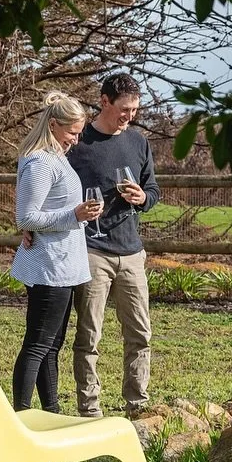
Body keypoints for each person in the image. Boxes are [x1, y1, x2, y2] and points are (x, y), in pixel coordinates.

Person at [67, 73, 159, 417]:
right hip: (92, 251)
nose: (130, 116)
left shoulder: (138, 143)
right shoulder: (78, 143)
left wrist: (142, 198)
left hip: (132, 252)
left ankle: (137, 406)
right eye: (124, 109)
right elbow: (53, 189)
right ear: (104, 101)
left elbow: (153, 190)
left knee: (140, 334)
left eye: (134, 109)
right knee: (89, 336)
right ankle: (89, 410)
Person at [9, 92, 102, 413]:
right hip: (49, 268)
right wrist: (73, 215)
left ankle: (51, 413)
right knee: (37, 346)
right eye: (72, 133)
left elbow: (44, 208)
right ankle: (20, 416)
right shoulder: (40, 162)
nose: (76, 140)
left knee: (51, 346)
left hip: (63, 267)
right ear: (53, 125)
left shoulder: (56, 156)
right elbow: (26, 216)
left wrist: (77, 213)